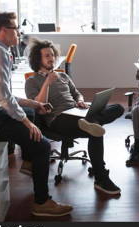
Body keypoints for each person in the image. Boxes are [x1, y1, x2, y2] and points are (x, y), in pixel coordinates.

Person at [0, 12, 73, 217]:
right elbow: (4, 98)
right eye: (15, 28)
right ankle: (41, 202)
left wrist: (32, 103)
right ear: (5, 31)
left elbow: (3, 95)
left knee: (33, 110)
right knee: (43, 146)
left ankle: (31, 161)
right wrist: (27, 123)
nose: (19, 32)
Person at [24, 39, 124, 195]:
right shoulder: (32, 81)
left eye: (52, 55)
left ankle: (90, 122)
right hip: (58, 119)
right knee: (95, 131)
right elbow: (38, 105)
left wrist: (80, 101)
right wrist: (47, 83)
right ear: (38, 60)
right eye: (47, 56)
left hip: (76, 112)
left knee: (118, 108)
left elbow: (77, 93)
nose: (51, 58)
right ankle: (101, 178)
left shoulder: (63, 76)